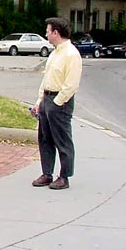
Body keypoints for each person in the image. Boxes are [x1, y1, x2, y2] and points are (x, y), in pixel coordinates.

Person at [30, 17, 83, 190]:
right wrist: (40, 101)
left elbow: (71, 85)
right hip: (47, 98)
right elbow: (46, 79)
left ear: (56, 32)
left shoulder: (71, 54)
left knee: (62, 140)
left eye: (48, 31)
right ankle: (47, 173)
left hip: (60, 101)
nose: (46, 34)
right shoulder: (54, 53)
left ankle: (64, 176)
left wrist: (57, 102)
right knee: (45, 138)